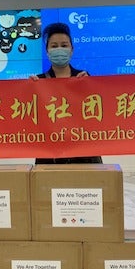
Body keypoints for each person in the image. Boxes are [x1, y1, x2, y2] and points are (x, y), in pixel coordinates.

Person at [30, 22, 102, 164]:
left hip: (84, 155)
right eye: (54, 46)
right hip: (50, 156)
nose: (59, 50)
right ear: (47, 51)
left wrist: (90, 87)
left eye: (64, 45)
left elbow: (98, 116)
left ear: (72, 49)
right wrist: (29, 91)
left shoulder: (84, 78)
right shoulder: (38, 82)